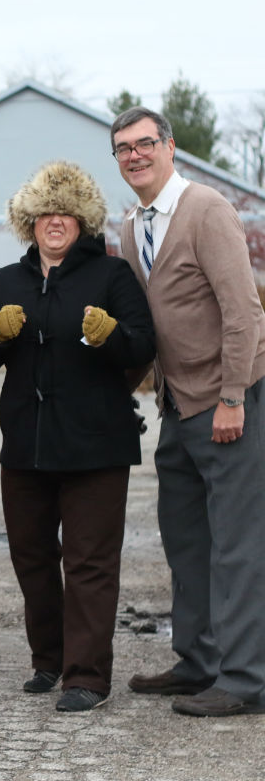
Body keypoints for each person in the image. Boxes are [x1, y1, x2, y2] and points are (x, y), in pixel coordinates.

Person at [0, 161, 156, 712]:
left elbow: (143, 347)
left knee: (90, 563)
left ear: (83, 221)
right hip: (25, 447)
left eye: (66, 213)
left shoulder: (112, 277)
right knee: (33, 558)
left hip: (96, 446)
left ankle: (87, 677)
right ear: (29, 220)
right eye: (45, 212)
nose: (55, 221)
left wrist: (113, 335)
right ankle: (49, 660)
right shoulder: (7, 280)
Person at [111, 106, 265, 718]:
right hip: (176, 406)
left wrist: (233, 396)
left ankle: (246, 678)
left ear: (170, 147)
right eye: (123, 148)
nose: (135, 155)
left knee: (237, 548)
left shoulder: (206, 210)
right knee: (185, 542)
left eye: (146, 143)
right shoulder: (130, 227)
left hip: (227, 404)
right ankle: (198, 662)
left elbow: (243, 311)